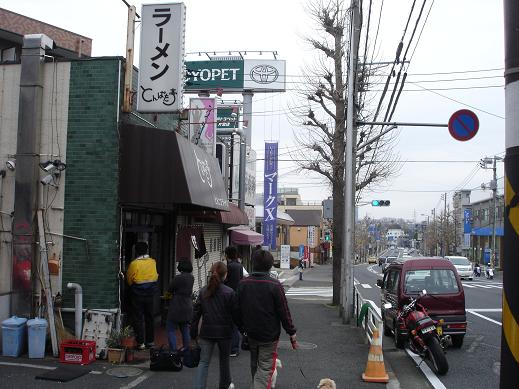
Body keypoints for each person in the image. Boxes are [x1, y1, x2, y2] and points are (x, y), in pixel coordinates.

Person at [236, 250, 298, 389]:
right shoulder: (275, 285)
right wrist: (291, 332)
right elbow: (284, 311)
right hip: (269, 334)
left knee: (255, 365)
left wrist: (242, 328)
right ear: (270, 266)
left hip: (250, 333)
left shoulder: (243, 284)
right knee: (264, 368)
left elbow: (236, 310)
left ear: (253, 264)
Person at [191, 261, 237, 389]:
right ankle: (224, 385)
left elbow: (196, 314)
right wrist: (241, 329)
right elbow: (235, 314)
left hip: (207, 332)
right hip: (225, 333)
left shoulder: (203, 291)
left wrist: (193, 332)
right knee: (224, 362)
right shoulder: (229, 292)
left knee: (204, 362)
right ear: (225, 275)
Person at [126, 241, 159, 350]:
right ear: (147, 250)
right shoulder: (152, 262)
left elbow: (129, 280)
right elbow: (155, 277)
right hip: (150, 294)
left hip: (137, 294)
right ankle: (150, 341)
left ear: (136, 251)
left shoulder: (134, 264)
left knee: (138, 318)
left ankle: (140, 343)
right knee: (150, 317)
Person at [167, 259, 194, 353]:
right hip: (188, 304)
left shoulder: (178, 278)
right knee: (185, 328)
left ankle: (173, 350)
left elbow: (170, 289)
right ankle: (186, 348)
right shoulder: (191, 277)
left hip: (177, 305)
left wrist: (166, 297)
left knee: (171, 328)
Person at [224, 246, 244, 357]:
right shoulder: (239, 266)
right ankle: (234, 347)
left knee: (231, 323)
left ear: (228, 255)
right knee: (235, 322)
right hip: (237, 296)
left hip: (230, 296)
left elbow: (226, 280)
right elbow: (240, 280)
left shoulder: (230, 266)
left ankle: (233, 348)